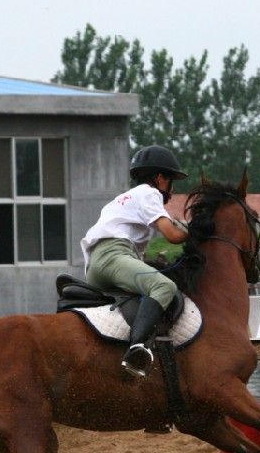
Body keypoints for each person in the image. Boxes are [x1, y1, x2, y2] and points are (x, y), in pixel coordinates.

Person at [80, 145, 188, 377]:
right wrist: (197, 230)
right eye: (171, 180)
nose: (171, 188)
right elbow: (173, 235)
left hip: (96, 266)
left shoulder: (121, 199)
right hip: (114, 257)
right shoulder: (150, 193)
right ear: (160, 178)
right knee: (163, 286)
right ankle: (137, 347)